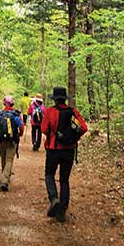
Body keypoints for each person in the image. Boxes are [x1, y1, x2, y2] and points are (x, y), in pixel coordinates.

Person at [41, 87, 88, 222]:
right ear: (65, 99)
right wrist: (73, 137)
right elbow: (84, 128)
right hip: (69, 150)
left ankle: (54, 198)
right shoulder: (73, 112)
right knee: (64, 180)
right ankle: (62, 210)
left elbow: (44, 129)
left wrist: (53, 133)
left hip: (53, 149)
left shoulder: (50, 111)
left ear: (55, 99)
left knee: (49, 174)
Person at [0, 95, 24, 192]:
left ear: (4, 103)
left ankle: (5, 177)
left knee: (3, 158)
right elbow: (21, 127)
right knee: (9, 159)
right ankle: (5, 180)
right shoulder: (16, 115)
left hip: (1, 141)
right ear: (12, 103)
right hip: (12, 140)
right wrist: (19, 135)